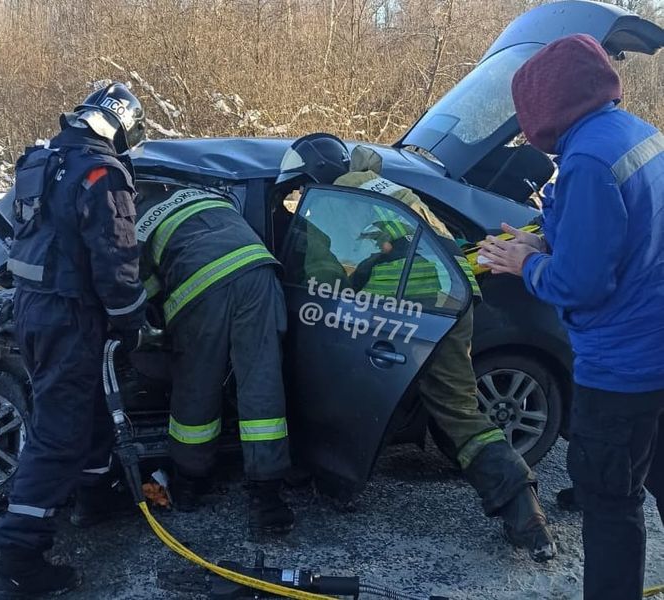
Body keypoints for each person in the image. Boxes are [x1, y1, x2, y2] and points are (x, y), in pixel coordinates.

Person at [276, 133, 557, 562]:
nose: (300, 197)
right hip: (452, 301)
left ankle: (333, 479)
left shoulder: (333, 202)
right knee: (460, 412)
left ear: (313, 174)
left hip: (403, 304)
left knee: (345, 386)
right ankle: (527, 517)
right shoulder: (381, 185)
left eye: (299, 187)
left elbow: (321, 277)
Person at [478, 34, 664, 600]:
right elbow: (628, 239)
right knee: (656, 477)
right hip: (658, 353)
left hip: (619, 371)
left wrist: (524, 264)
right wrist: (548, 239)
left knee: (610, 503)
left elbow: (581, 284)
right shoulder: (638, 133)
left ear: (545, 106)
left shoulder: (584, 161)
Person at [0, 82, 148, 600]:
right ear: (121, 126)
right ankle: (19, 561)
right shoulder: (102, 174)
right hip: (70, 314)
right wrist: (133, 322)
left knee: (89, 410)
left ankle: (94, 497)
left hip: (33, 308)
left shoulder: (43, 159)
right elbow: (117, 259)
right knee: (58, 432)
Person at [135, 178, 293, 538]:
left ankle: (190, 484)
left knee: (196, 384)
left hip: (201, 285)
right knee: (262, 381)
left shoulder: (138, 222)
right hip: (259, 272)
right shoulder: (209, 195)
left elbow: (139, 294)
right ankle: (267, 500)